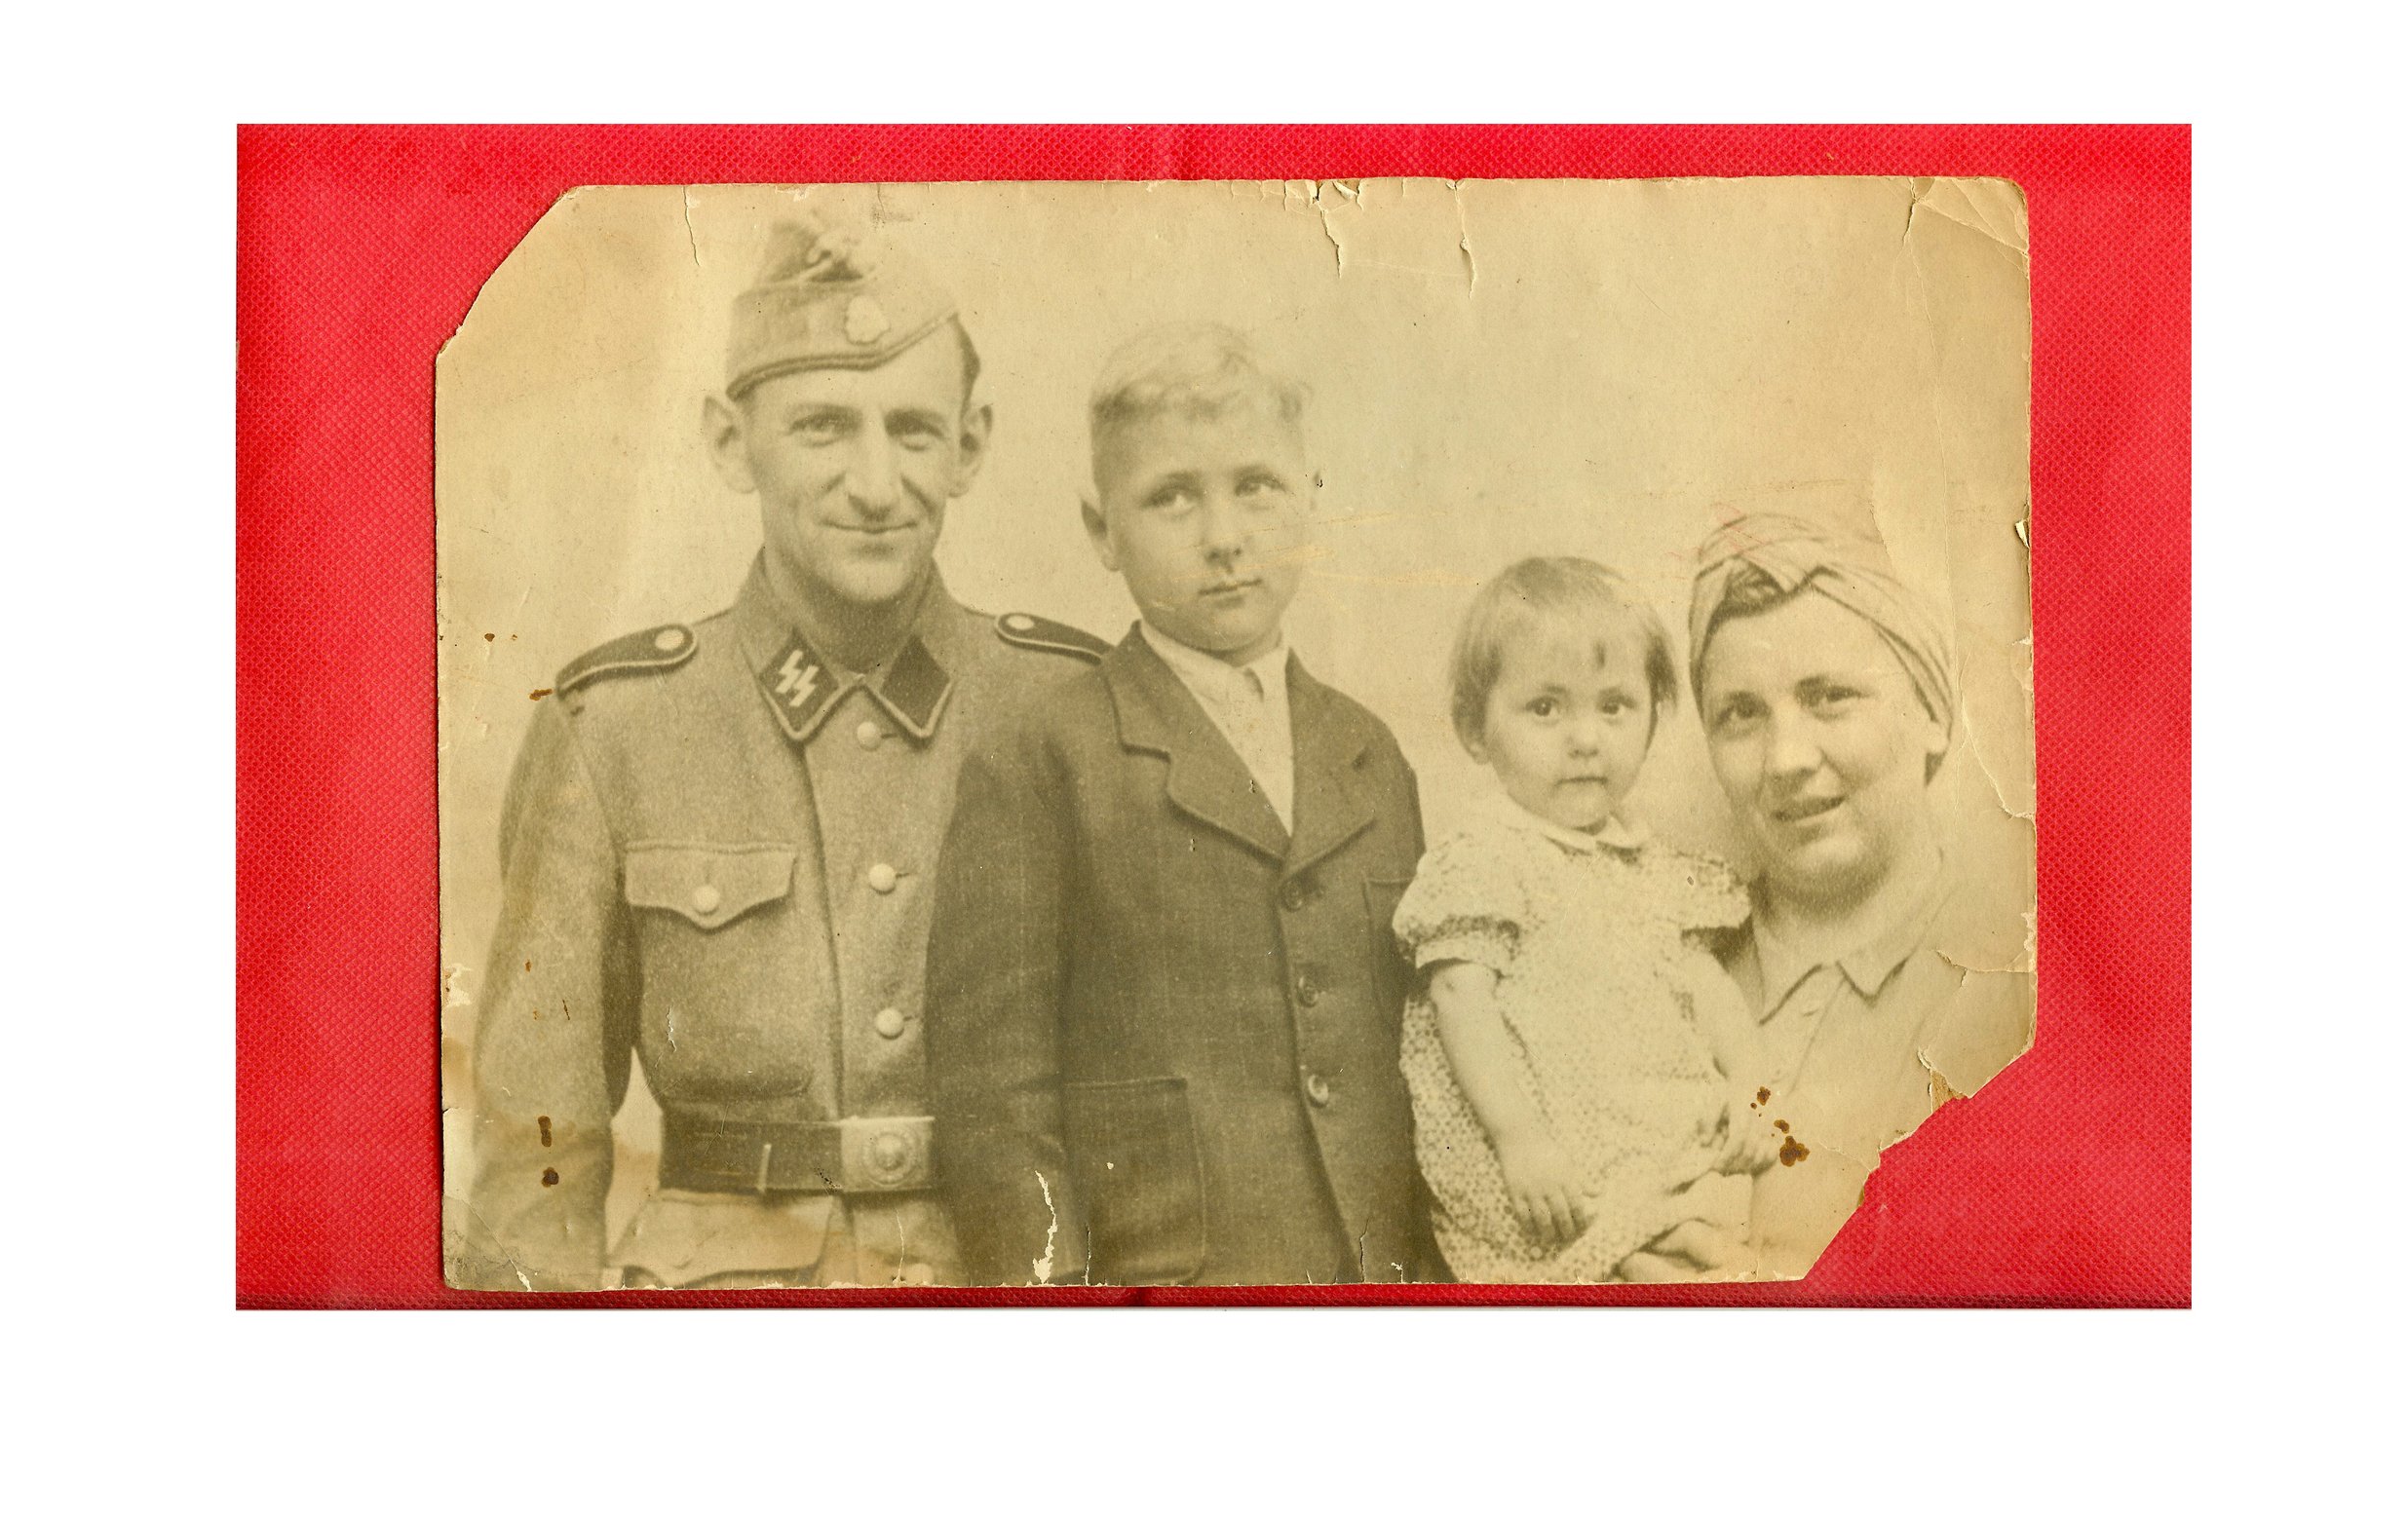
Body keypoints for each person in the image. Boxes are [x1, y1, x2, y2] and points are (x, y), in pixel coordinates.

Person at [460, 211, 1107, 1290]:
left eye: (912, 429)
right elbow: (538, 1152)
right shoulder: (613, 726)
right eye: (821, 427)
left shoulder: (1064, 703)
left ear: (971, 446)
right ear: (729, 441)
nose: (872, 482)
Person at [926, 322, 1437, 1286]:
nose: (1225, 537)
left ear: (1310, 501)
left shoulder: (1367, 753)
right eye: (1171, 497)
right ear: (1099, 529)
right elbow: (997, 1104)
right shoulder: (1043, 756)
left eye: (1257, 485)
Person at [1619, 512, 2031, 1281]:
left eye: (1831, 696)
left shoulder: (2019, 983)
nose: (1786, 759)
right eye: (1741, 713)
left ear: (1935, 716)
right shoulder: (1656, 970)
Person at [1392, 557, 1778, 1283]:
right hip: (1534, 1133)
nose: (1585, 739)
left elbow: (1710, 992)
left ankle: (1681, 1254)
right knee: (1591, 1232)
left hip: (1635, 1122)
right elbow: (1458, 997)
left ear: (1653, 718)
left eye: (1614, 706)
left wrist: (1752, 1088)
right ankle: (1634, 1259)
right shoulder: (1487, 857)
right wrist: (1520, 1138)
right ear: (1477, 731)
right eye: (1545, 708)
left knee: (1717, 1205)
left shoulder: (1654, 864)